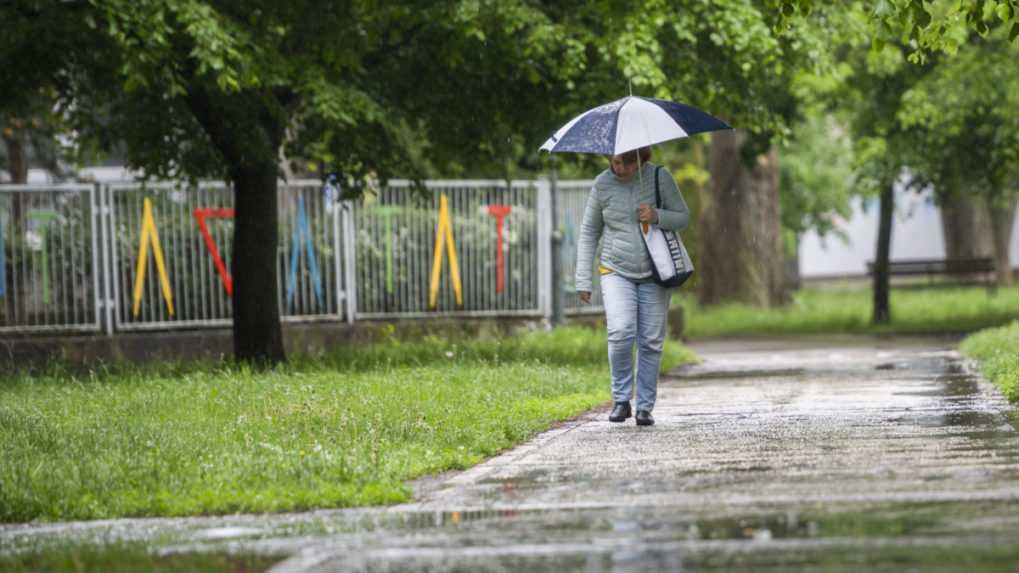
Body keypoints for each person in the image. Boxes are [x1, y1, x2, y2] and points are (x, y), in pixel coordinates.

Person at [575, 147, 690, 426]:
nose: (621, 169)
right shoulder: (602, 183)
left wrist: (657, 215)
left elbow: (683, 217)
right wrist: (582, 278)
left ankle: (645, 407)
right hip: (615, 268)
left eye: (628, 163)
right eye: (616, 163)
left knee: (650, 340)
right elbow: (590, 231)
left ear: (642, 159)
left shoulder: (660, 177)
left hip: (655, 270)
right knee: (620, 330)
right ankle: (621, 400)